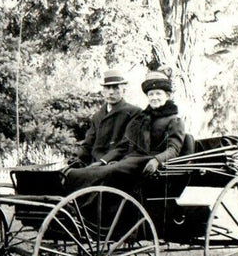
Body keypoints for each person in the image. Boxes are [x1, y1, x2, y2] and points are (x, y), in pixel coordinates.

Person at [63, 66, 185, 195]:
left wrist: (157, 160)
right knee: (99, 170)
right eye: (151, 94)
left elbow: (173, 149)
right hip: (131, 159)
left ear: (168, 95)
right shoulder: (143, 118)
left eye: (158, 94)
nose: (154, 97)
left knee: (108, 171)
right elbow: (127, 143)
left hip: (145, 161)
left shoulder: (174, 121)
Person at [68, 68, 141, 169]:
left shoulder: (134, 112)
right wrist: (75, 156)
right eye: (107, 88)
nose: (111, 92)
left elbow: (126, 145)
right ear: (103, 91)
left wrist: (103, 161)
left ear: (123, 90)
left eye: (116, 88)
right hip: (94, 164)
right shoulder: (97, 116)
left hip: (117, 165)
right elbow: (88, 144)